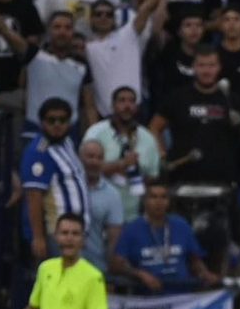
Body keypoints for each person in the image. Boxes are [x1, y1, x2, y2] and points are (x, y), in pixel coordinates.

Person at [151, 46, 240, 183]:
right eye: (201, 65)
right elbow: (154, 127)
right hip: (183, 176)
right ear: (193, 67)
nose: (206, 71)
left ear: (219, 67)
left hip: (223, 178)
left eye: (211, 65)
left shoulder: (232, 99)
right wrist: (162, 155)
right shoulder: (178, 97)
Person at [83, 0, 173, 119]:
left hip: (136, 109)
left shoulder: (126, 35)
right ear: (91, 18)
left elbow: (146, 8)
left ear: (114, 19)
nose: (103, 17)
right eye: (98, 14)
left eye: (108, 14)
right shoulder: (86, 47)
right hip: (106, 115)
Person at [109, 179, 222, 292]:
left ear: (169, 201)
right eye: (153, 197)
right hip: (147, 297)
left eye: (163, 197)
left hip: (181, 295)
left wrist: (203, 272)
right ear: (145, 200)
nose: (159, 202)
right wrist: (140, 274)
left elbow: (194, 259)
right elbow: (116, 265)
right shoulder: (131, 229)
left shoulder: (181, 225)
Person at [20, 97, 89, 260]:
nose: (57, 125)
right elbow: (34, 195)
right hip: (57, 232)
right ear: (41, 123)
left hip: (77, 230)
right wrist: (38, 237)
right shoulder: (39, 152)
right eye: (51, 120)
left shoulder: (67, 143)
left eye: (62, 120)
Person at [84, 85, 161, 221]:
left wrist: (134, 176)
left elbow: (152, 175)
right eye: (122, 100)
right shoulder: (96, 133)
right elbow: (86, 169)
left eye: (132, 101)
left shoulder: (147, 137)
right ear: (112, 106)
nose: (127, 106)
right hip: (99, 213)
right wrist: (122, 164)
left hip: (133, 213)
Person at [77, 138, 127, 272]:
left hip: (96, 267)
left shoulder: (112, 194)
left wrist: (111, 270)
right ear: (79, 158)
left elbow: (114, 238)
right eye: (90, 157)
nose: (94, 162)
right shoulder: (67, 187)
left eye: (99, 158)